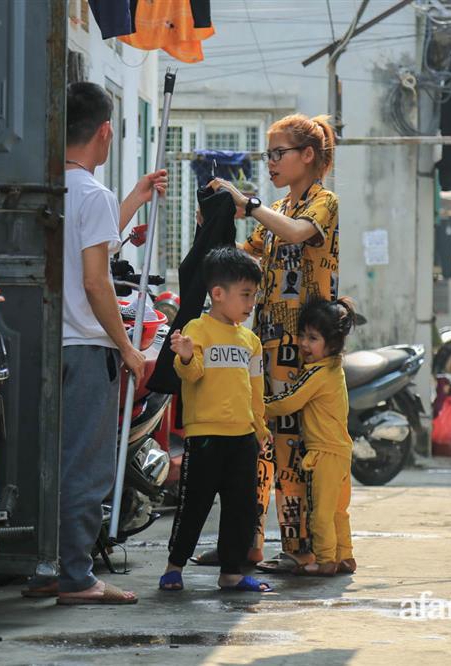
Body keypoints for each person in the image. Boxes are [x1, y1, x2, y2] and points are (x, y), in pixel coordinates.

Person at [23, 81, 166, 605]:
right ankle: (76, 577)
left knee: (42, 461)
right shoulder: (92, 194)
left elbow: (94, 248)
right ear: (105, 132)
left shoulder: (44, 188)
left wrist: (133, 198)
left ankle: (44, 564)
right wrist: (128, 348)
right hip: (85, 348)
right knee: (85, 465)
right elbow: (95, 278)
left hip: (39, 344)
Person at [205, 114, 340, 573]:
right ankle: (247, 543)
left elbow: (300, 235)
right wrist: (218, 219)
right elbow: (249, 256)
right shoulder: (278, 210)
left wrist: (251, 204)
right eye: (268, 155)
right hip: (265, 343)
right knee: (260, 443)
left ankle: (301, 549)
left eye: (277, 154)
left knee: (295, 451)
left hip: (305, 348)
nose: (270, 163)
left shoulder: (323, 203)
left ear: (308, 156)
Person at [158, 247, 274, 593]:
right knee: (194, 503)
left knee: (241, 507)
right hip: (205, 435)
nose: (251, 302)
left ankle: (232, 572)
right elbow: (191, 376)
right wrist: (186, 356)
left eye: (254, 295)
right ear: (218, 294)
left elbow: (255, 390)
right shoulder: (197, 329)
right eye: (245, 295)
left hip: (242, 438)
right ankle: (173, 566)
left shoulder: (250, 341)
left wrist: (260, 427)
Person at [263, 298, 357, 576]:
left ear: (333, 344)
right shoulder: (335, 370)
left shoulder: (316, 373)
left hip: (324, 454)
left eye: (313, 338)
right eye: (302, 335)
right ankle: (346, 556)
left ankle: (326, 561)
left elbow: (288, 402)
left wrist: (258, 404)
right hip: (341, 452)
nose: (304, 343)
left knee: (320, 514)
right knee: (339, 511)